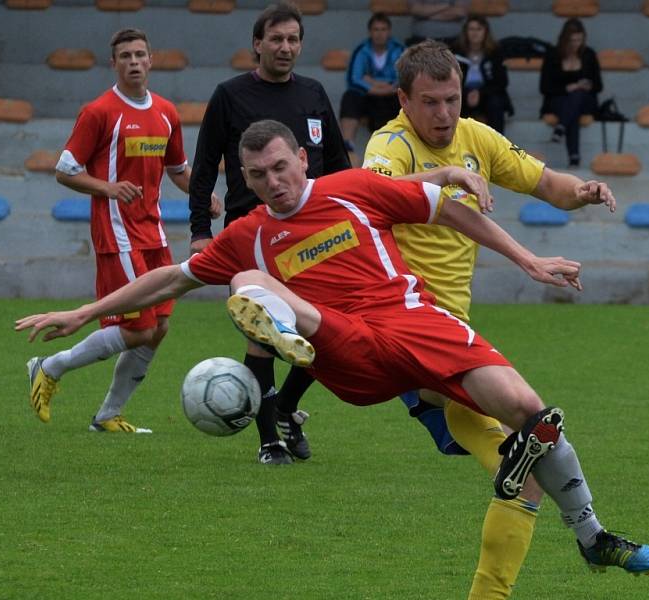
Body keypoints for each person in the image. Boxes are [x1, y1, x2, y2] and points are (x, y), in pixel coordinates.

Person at [16, 120, 649, 595]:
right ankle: (279, 329)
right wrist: (82, 313)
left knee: (534, 418)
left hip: (419, 323)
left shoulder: (352, 189)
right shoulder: (251, 234)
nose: (274, 182)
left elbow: (449, 208)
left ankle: (592, 537)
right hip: (343, 346)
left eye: (281, 168)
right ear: (246, 179)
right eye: (260, 175)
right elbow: (171, 278)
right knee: (244, 280)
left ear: (302, 159)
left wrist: (529, 259)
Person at [362, 40, 619, 597]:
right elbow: (371, 192)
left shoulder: (478, 136)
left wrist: (585, 190)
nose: (443, 114)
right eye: (429, 102)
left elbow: (549, 185)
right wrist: (446, 173)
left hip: (452, 332)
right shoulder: (390, 143)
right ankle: (591, 531)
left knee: (523, 474)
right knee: (530, 412)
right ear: (402, 100)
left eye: (451, 99)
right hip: (403, 324)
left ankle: (584, 537)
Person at [26, 28, 219, 433]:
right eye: (125, 56)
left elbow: (178, 170)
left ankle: (108, 416)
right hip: (118, 234)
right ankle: (48, 367)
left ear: (152, 60)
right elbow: (65, 169)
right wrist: (108, 188)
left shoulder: (166, 112)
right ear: (113, 63)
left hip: (154, 234)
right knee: (138, 330)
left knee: (158, 328)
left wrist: (204, 197)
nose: (133, 62)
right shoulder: (99, 111)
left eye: (140, 55)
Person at [187, 1, 351, 465]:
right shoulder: (229, 94)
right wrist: (201, 229)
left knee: (324, 335)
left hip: (315, 235)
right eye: (276, 39)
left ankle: (285, 404)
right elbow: (203, 170)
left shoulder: (315, 93)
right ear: (256, 44)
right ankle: (269, 441)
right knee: (260, 335)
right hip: (250, 233)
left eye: (293, 39)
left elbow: (338, 167)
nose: (285, 47)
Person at [338, 12, 404, 156]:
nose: (380, 34)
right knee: (350, 96)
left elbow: (403, 77)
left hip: (391, 96)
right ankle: (347, 144)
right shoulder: (361, 50)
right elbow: (354, 80)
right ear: (370, 32)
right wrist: (379, 88)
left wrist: (371, 81)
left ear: (389, 31)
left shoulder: (399, 49)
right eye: (376, 29)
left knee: (405, 98)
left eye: (383, 29)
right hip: (369, 96)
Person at [539, 18, 603, 167]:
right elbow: (544, 87)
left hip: (584, 100)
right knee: (571, 110)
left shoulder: (589, 55)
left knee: (577, 97)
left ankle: (561, 128)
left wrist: (587, 85)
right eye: (572, 40)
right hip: (558, 100)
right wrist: (568, 88)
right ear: (564, 40)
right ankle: (574, 157)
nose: (575, 44)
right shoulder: (553, 55)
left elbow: (598, 86)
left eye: (579, 40)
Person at [453, 14, 513, 134]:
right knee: (453, 102)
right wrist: (466, 93)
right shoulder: (456, 51)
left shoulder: (495, 52)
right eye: (471, 29)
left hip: (487, 93)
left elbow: (502, 82)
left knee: (495, 103)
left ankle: (497, 146)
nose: (475, 33)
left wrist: (480, 93)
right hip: (462, 93)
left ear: (486, 32)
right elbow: (450, 80)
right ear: (466, 32)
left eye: (479, 29)